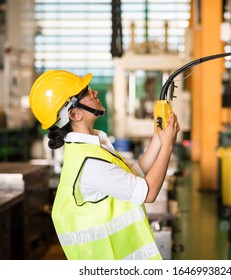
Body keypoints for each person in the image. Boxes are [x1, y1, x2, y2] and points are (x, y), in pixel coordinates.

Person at [29, 70, 179, 260]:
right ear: (74, 113)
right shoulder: (90, 163)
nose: (95, 93)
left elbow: (135, 174)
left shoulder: (92, 146)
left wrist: (159, 138)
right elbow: (147, 193)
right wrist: (168, 145)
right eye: (87, 93)